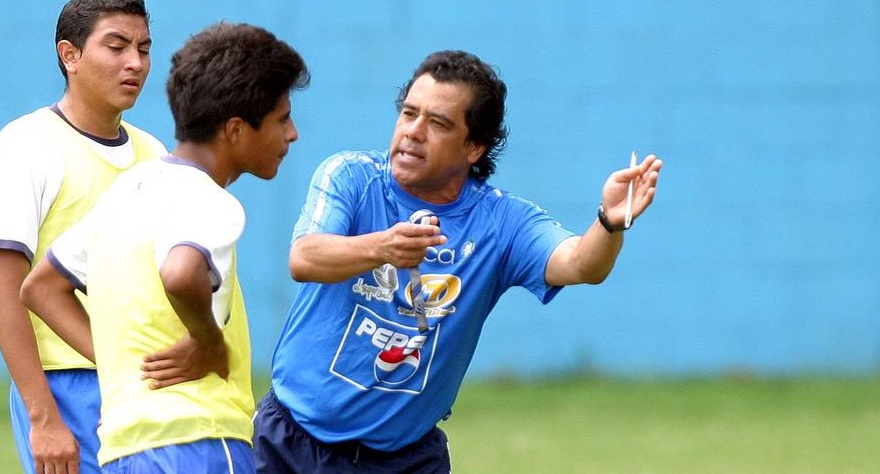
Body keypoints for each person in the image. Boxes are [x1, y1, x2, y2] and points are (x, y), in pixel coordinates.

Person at [253, 50, 663, 473]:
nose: (413, 132)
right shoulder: (350, 176)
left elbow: (581, 264)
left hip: (405, 460)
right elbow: (304, 257)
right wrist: (384, 247)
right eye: (409, 113)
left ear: (473, 147)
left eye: (438, 123)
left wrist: (608, 222)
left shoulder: (503, 222)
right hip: (291, 444)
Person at [19, 21, 310, 473]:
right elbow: (181, 272)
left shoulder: (126, 191)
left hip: (123, 450)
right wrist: (208, 341)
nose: (291, 134)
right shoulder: (211, 199)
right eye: (282, 119)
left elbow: (39, 287)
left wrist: (122, 364)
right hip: (202, 441)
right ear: (235, 130)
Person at [0, 0, 171, 473]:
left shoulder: (156, 154)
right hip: (65, 386)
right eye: (117, 46)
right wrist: (44, 418)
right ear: (70, 55)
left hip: (143, 386)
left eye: (144, 49)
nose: (136, 63)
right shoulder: (25, 146)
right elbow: (2, 291)